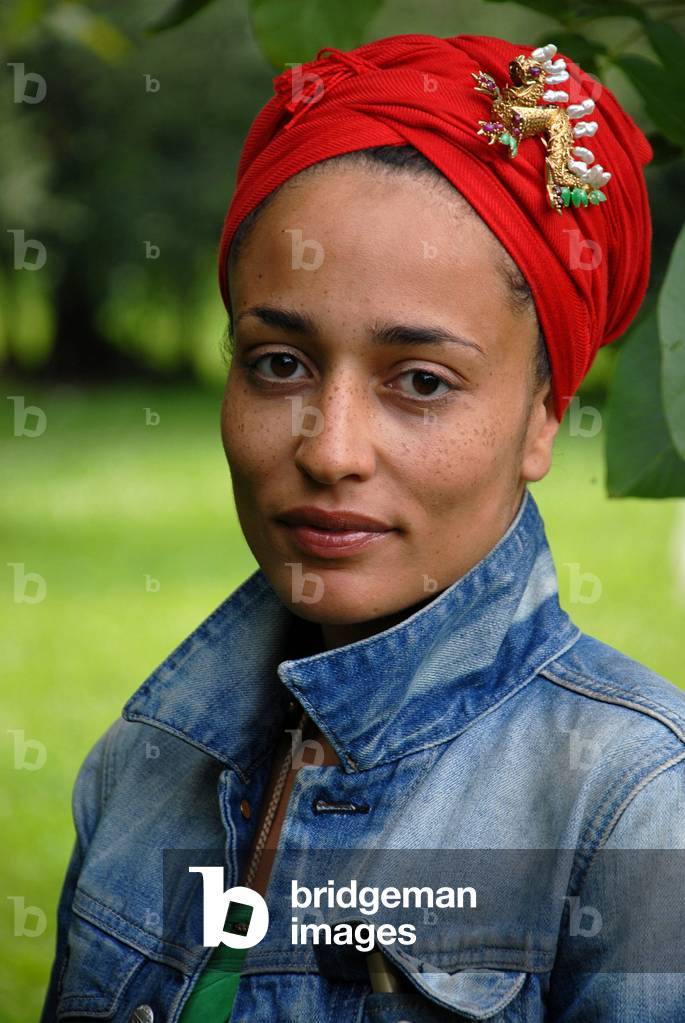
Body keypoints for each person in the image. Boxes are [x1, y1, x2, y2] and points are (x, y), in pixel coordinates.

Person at [40, 32, 685, 1023]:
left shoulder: (632, 808)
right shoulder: (144, 762)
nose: (330, 450)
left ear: (542, 417)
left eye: (420, 381)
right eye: (279, 364)